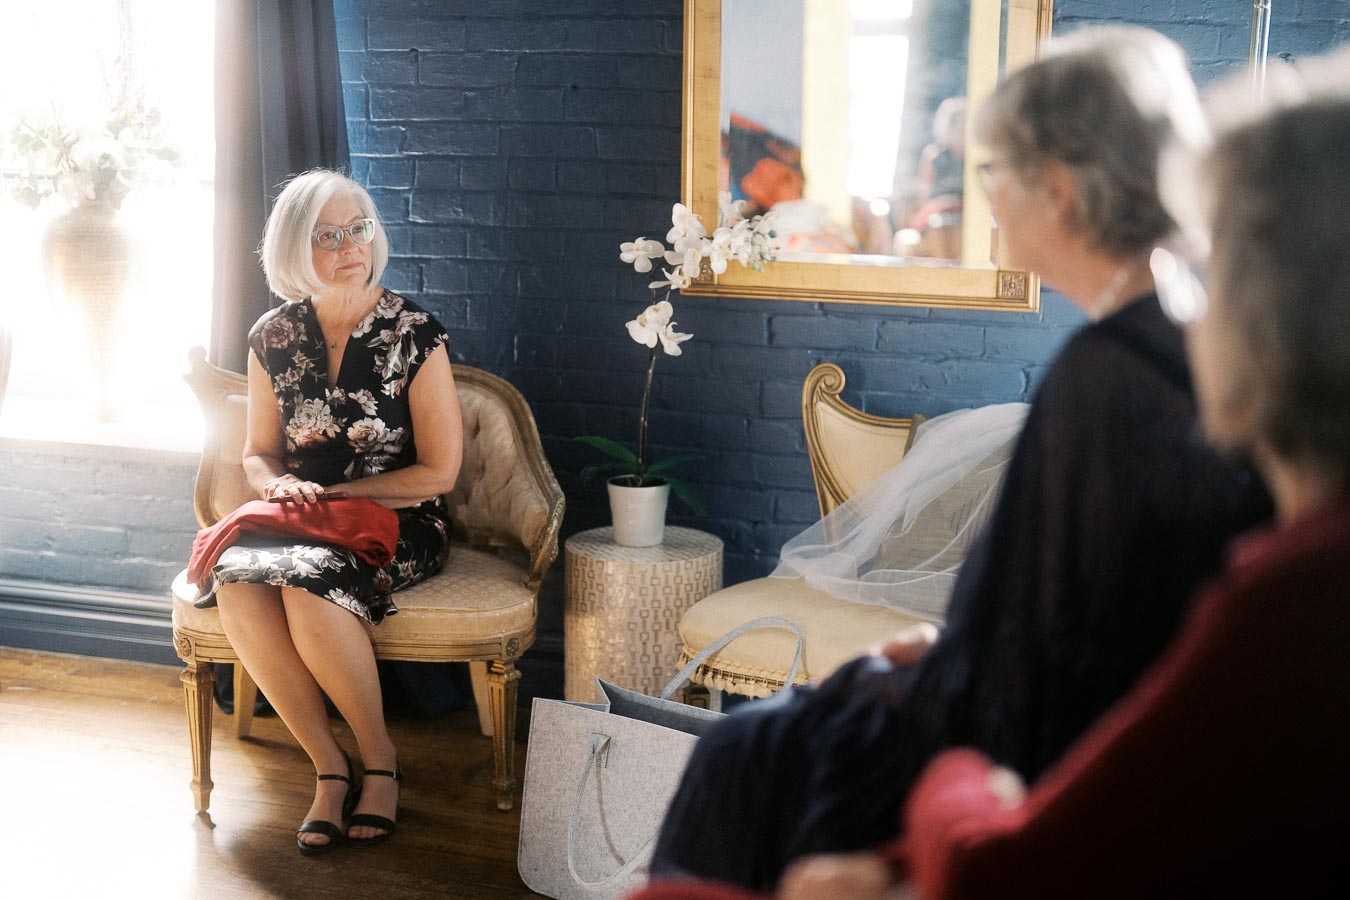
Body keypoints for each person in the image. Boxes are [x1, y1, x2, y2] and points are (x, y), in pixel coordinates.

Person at [644, 27, 1271, 893]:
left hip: (1044, 752)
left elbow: (1052, 664)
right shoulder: (1196, 333)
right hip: (1083, 708)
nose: (984, 198)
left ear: (1058, 189)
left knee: (747, 753)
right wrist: (945, 648)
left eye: (991, 175)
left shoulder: (1110, 375)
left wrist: (924, 670)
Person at [770, 50, 1350, 900]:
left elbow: (1031, 791)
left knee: (750, 763)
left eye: (1214, 265)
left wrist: (945, 772)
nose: (1192, 297)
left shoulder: (1286, 587)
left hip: (1012, 784)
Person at [195, 169, 463, 855]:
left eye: (360, 228)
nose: (352, 245)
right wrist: (276, 483)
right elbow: (257, 452)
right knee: (238, 579)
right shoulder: (273, 336)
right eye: (328, 236)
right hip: (303, 522)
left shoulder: (416, 334)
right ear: (295, 248)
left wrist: (338, 496)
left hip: (399, 520)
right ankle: (328, 767)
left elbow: (440, 472)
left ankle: (380, 762)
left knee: (309, 585)